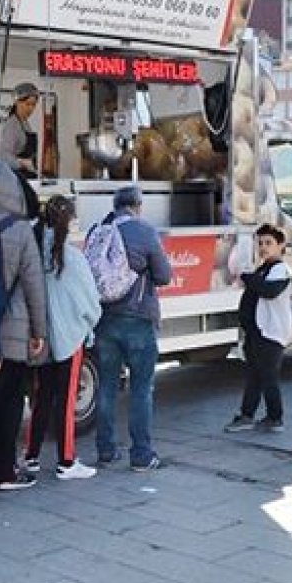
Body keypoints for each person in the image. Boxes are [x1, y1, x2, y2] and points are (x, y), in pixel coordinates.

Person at [0, 161, 47, 491]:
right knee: (8, 404)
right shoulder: (21, 230)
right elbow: (34, 285)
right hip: (14, 331)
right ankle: (6, 471)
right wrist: (40, 333)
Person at [93, 186, 173, 471]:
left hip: (105, 320)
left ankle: (106, 450)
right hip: (139, 319)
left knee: (107, 386)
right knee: (141, 388)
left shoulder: (98, 230)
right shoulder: (145, 232)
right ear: (138, 206)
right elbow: (164, 276)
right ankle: (141, 455)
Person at [23, 196, 101, 479]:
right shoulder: (72, 258)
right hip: (70, 338)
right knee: (67, 401)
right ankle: (66, 461)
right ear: (69, 222)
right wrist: (88, 326)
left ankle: (31, 456)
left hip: (41, 338)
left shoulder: (33, 255)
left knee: (41, 397)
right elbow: (91, 303)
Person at [224, 224, 292, 435]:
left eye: (269, 243)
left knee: (267, 376)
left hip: (271, 333)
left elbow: (269, 291)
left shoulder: (280, 270)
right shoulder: (262, 269)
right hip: (257, 333)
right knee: (256, 375)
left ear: (280, 245)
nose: (263, 247)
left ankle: (275, 417)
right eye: (260, 243)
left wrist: (247, 277)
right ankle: (247, 415)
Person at [0, 83, 41, 180]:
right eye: (27, 104)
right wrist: (22, 163)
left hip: (27, 178)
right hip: (15, 179)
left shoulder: (25, 124)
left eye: (33, 105)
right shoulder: (12, 125)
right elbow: (4, 157)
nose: (30, 108)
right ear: (17, 102)